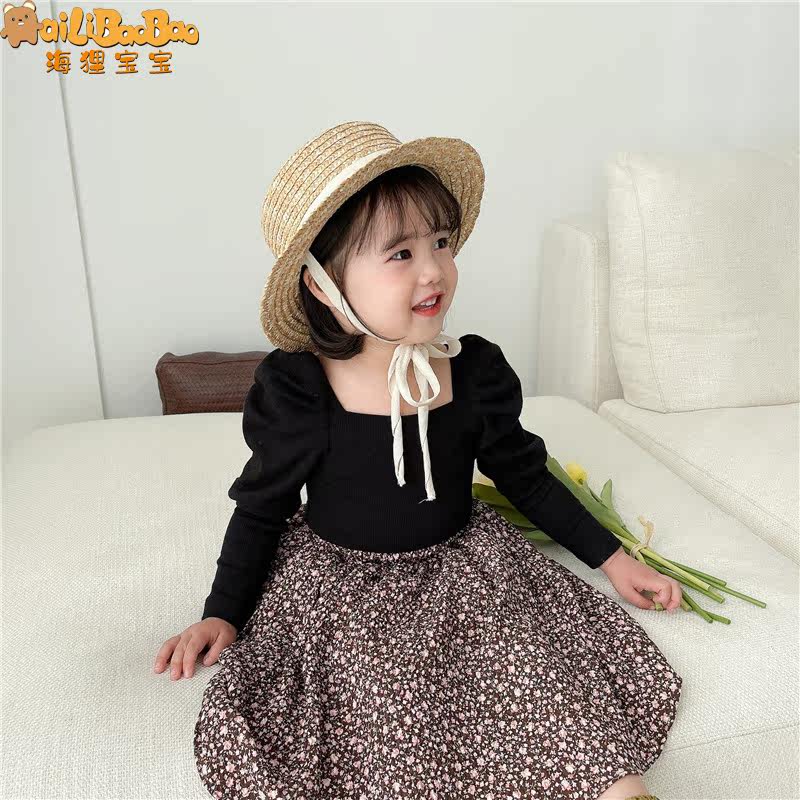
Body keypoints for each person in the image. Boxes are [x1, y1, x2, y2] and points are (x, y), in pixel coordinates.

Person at [153, 121, 683, 800]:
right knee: (378, 705)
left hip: (466, 570)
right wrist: (222, 612)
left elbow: (526, 478)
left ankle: (617, 789)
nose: (433, 270)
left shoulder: (474, 372)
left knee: (536, 677)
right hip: (347, 588)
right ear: (323, 285)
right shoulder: (301, 391)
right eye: (399, 253)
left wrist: (613, 558)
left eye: (441, 243)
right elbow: (261, 509)